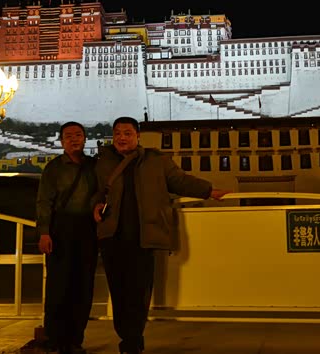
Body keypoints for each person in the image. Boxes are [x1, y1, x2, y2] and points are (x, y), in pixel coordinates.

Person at [92, 116, 230, 354]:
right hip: (112, 237)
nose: (121, 138)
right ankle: (127, 337)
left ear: (138, 136)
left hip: (145, 237)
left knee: (140, 292)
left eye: (127, 133)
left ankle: (132, 340)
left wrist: (208, 190)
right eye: (117, 133)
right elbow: (95, 191)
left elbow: (179, 181)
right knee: (119, 291)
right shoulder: (103, 162)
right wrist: (95, 204)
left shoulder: (156, 160)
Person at [36, 121, 98, 354]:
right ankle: (55, 339)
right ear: (61, 141)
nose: (74, 139)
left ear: (85, 139)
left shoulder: (94, 166)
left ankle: (75, 340)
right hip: (60, 230)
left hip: (87, 230)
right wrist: (44, 232)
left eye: (78, 135)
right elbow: (44, 201)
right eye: (69, 136)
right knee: (58, 286)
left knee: (83, 286)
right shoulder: (54, 168)